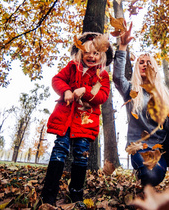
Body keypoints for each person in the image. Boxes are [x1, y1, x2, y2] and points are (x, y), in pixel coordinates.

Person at [113, 23, 169, 186]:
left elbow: (168, 128)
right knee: (152, 176)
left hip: (165, 148)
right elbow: (118, 77)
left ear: (154, 68)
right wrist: (123, 46)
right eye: (141, 62)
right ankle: (144, 171)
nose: (144, 64)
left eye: (149, 62)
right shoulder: (131, 90)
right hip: (143, 150)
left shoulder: (163, 94)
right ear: (137, 68)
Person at [41, 32, 113, 205]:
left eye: (96, 53)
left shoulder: (102, 76)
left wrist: (85, 92)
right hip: (67, 117)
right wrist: (66, 90)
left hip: (85, 121)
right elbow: (57, 79)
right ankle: (49, 194)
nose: (91, 56)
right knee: (60, 150)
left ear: (101, 56)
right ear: (81, 53)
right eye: (87, 52)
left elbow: (102, 96)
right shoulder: (72, 67)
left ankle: (76, 194)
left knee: (81, 154)